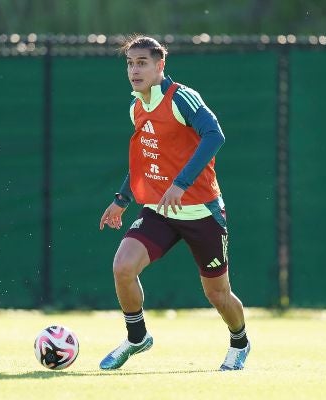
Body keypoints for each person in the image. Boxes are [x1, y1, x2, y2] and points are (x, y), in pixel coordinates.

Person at [98, 35, 250, 371]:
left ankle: (239, 342)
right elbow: (144, 160)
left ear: (159, 65)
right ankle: (137, 337)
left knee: (218, 295)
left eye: (142, 63)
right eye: (130, 63)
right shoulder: (136, 107)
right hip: (160, 210)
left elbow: (215, 135)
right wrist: (122, 200)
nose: (134, 70)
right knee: (123, 267)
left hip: (202, 212)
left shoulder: (182, 97)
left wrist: (180, 184)